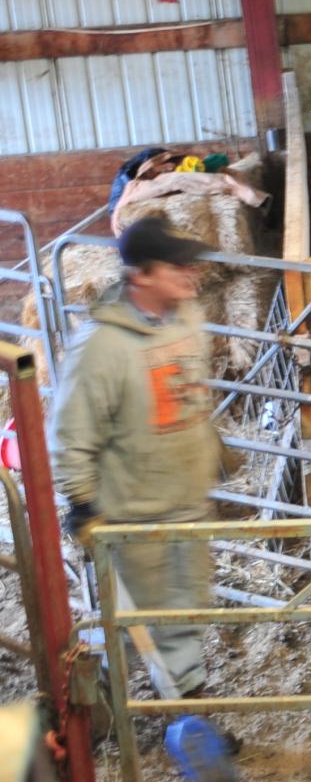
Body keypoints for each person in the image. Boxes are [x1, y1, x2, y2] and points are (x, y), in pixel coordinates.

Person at [50, 215, 221, 700]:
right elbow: (70, 433)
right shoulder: (100, 347)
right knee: (129, 622)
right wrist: (82, 503)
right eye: (176, 266)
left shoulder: (187, 319)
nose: (191, 274)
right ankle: (106, 703)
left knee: (185, 608)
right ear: (141, 275)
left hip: (188, 502)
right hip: (132, 514)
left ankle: (182, 701)